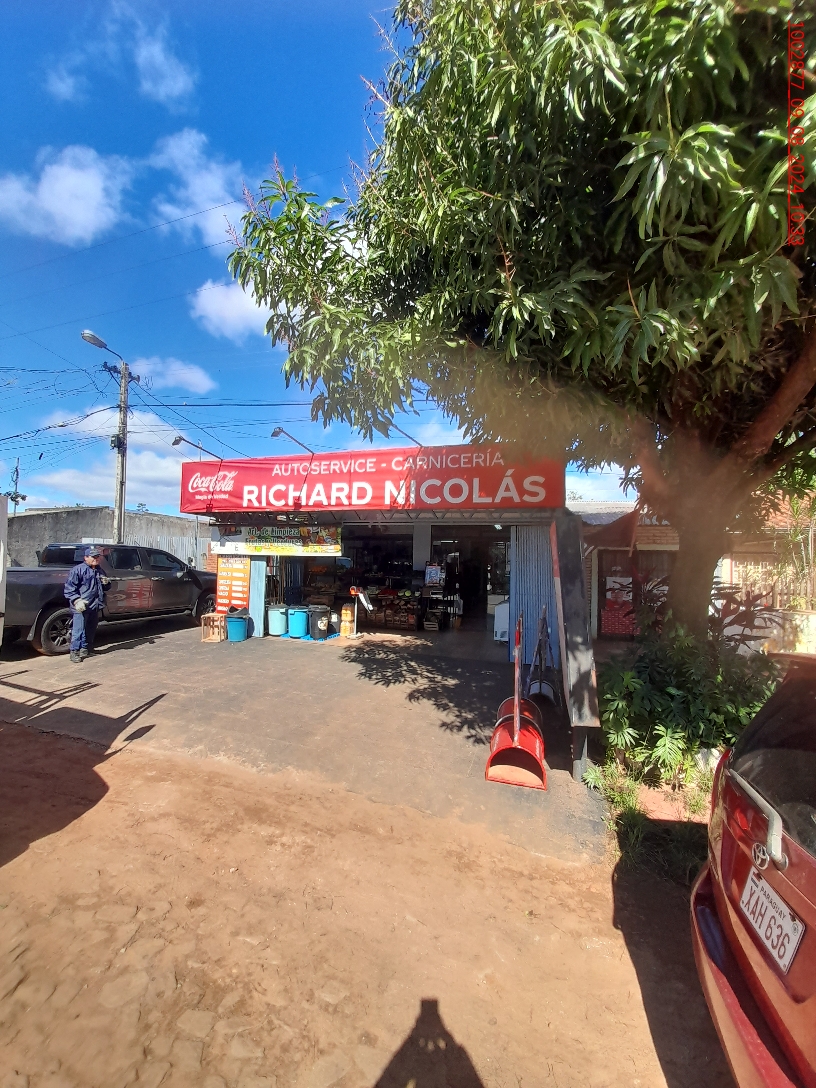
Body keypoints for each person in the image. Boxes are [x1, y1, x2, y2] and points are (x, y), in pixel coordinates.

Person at [64, 546, 109, 663]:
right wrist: (76, 600)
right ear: (86, 558)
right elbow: (69, 589)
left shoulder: (99, 570)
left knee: (90, 628)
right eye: (93, 557)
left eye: (97, 557)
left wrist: (106, 583)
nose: (96, 559)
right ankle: (74, 652)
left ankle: (86, 649)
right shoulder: (78, 570)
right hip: (81, 605)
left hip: (94, 605)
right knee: (78, 630)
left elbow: (105, 588)